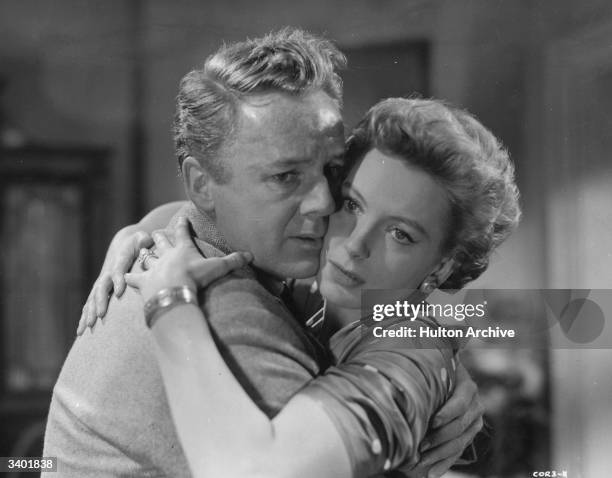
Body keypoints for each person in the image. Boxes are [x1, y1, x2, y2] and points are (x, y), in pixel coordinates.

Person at [43, 29, 482, 477]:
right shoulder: (227, 307)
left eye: (331, 170)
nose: (324, 203)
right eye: (285, 177)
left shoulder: (200, 244)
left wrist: (431, 372)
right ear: (202, 184)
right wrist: (426, 373)